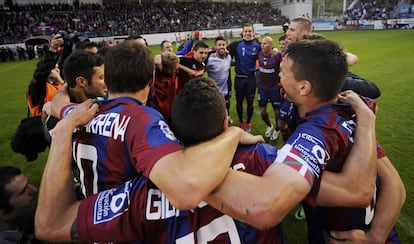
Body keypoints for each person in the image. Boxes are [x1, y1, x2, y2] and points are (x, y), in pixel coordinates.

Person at [36, 77, 376, 243]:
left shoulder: (145, 190)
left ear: (173, 130)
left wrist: (64, 130)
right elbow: (353, 191)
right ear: (226, 121)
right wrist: (367, 121)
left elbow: (50, 226)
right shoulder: (265, 161)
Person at [36, 41, 260, 239]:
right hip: (125, 226)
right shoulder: (141, 120)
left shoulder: (81, 112)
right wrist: (233, 133)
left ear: (109, 77)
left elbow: (57, 105)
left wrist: (64, 87)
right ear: (150, 80)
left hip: (93, 219)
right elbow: (183, 189)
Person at [205, 39, 405, 244]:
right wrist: (377, 235)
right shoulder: (352, 114)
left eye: (283, 72)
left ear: (303, 87)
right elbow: (394, 183)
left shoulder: (316, 132)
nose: (278, 75)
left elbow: (265, 205)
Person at [227, 23, 261, 132]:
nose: (247, 33)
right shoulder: (236, 45)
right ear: (242, 33)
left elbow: (268, 51)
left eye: (249, 31)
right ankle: (241, 121)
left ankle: (249, 122)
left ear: (253, 32)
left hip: (251, 79)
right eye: (246, 31)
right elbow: (224, 51)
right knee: (239, 102)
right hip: (239, 79)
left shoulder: (258, 45)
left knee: (250, 102)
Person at [27, 35, 65, 117]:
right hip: (42, 124)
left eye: (57, 67)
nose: (57, 69)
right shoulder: (39, 87)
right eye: (54, 67)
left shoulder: (59, 84)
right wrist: (52, 50)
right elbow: (41, 72)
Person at [0, 166, 38, 244]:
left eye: (28, 185)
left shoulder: (17, 217)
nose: (34, 189)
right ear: (4, 214)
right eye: (23, 191)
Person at [257, 36, 283, 141]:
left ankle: (277, 129)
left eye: (265, 43)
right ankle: (269, 125)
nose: (263, 45)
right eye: (262, 43)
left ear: (271, 45)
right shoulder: (259, 54)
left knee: (277, 112)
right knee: (262, 111)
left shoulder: (277, 56)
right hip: (262, 88)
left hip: (274, 88)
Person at [205, 36, 233, 124]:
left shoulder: (228, 57)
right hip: (214, 92)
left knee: (226, 109)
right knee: (215, 113)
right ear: (215, 47)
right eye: (219, 45)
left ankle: (226, 120)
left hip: (225, 91)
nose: (221, 46)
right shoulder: (210, 60)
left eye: (223, 44)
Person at [148, 51, 180, 124]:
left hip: (166, 114)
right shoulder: (153, 76)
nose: (177, 69)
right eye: (175, 67)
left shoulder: (172, 76)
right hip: (158, 115)